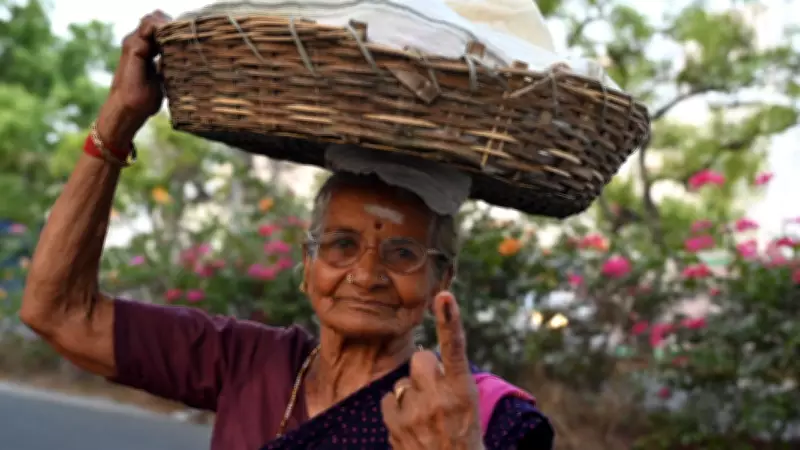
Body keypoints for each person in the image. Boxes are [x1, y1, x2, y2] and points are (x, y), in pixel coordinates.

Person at [19, 10, 554, 450]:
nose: (366, 275)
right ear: (308, 263)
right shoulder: (249, 363)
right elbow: (59, 312)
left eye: (402, 253)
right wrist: (119, 117)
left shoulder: (478, 414)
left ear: (443, 278)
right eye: (343, 245)